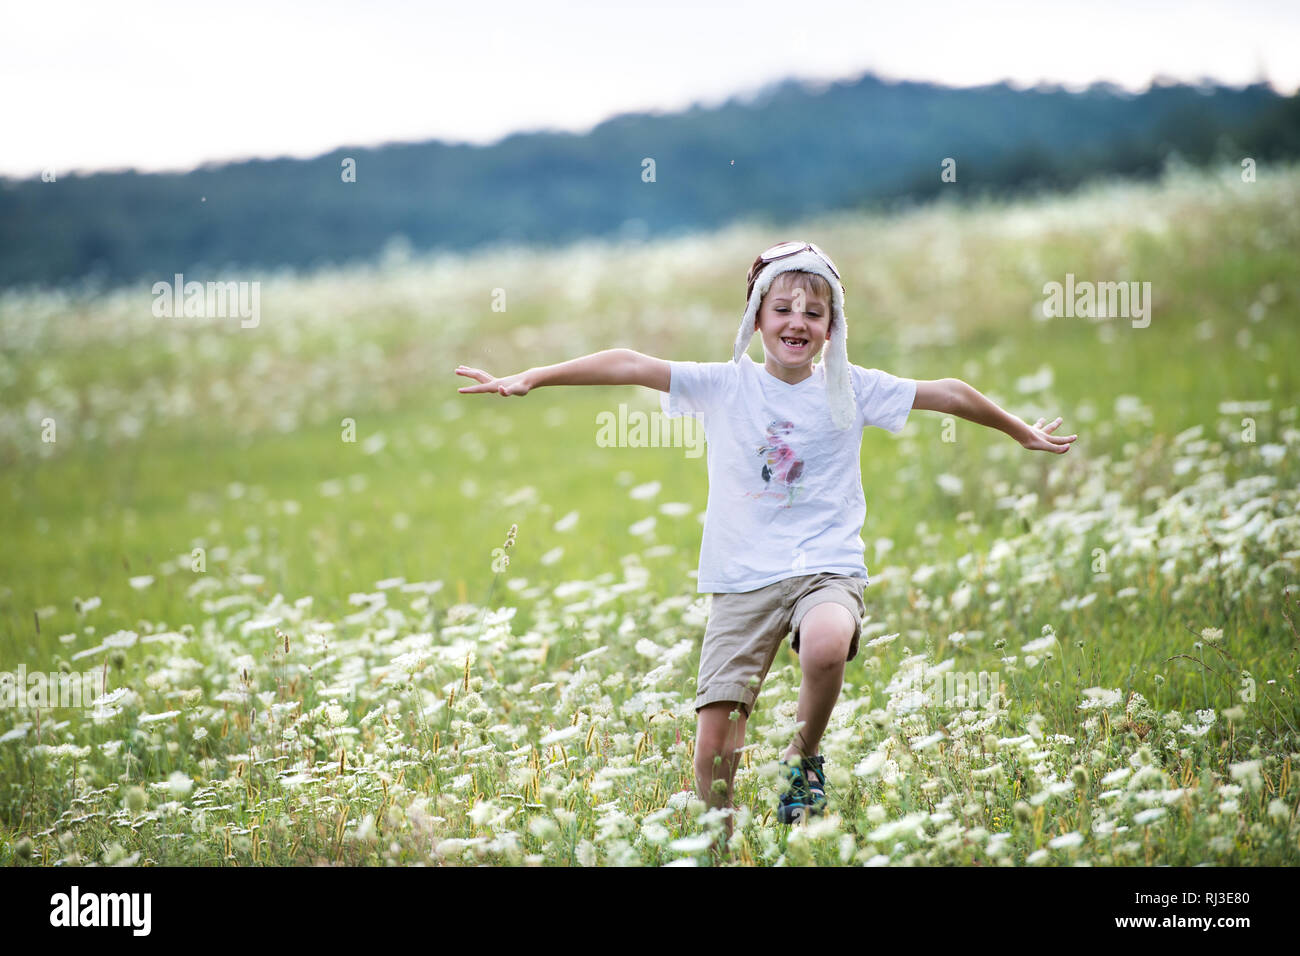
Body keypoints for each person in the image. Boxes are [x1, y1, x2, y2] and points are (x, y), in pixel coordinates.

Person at [455, 240, 1076, 852]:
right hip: (742, 577)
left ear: (832, 327)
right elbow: (628, 362)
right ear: (756, 317)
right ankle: (719, 846)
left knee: (829, 643)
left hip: (824, 567)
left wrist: (1020, 432)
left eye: (813, 311)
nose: (796, 322)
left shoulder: (852, 387)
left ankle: (802, 761)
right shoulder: (723, 384)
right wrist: (533, 377)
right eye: (781, 309)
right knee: (716, 748)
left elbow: (950, 392)